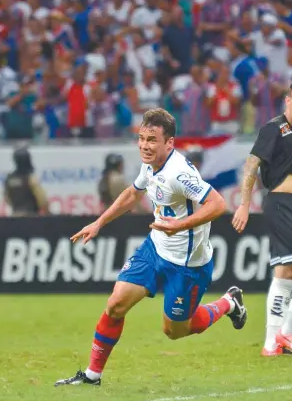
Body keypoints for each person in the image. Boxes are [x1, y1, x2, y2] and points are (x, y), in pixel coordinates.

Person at [55, 109, 247, 386]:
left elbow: (218, 204)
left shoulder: (179, 174)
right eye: (142, 138)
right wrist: (99, 223)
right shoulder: (150, 164)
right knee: (116, 304)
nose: (145, 145)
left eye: (152, 140)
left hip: (187, 265)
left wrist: (178, 226)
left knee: (176, 331)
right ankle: (92, 375)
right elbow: (133, 193)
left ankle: (229, 303)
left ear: (169, 143)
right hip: (155, 249)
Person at [232, 79, 292, 357]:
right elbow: (251, 166)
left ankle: (271, 343)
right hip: (280, 203)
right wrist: (244, 204)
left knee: (286, 271)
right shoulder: (273, 129)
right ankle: (289, 332)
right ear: (287, 101)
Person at [3, 146, 49, 216]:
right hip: (31, 217)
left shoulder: (9, 179)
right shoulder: (30, 178)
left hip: (15, 216)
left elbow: (7, 199)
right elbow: (43, 200)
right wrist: (47, 213)